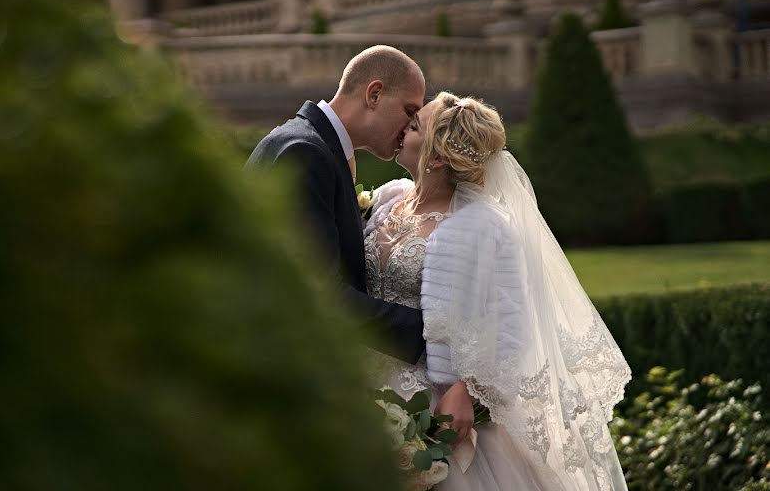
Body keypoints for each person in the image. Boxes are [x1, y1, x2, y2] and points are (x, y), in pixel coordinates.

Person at [364, 91, 631, 489]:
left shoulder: (483, 226)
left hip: (434, 407)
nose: (404, 128)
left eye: (415, 126)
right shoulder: (388, 199)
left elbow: (511, 326)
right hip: (365, 382)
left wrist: (466, 391)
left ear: (436, 158)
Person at [246, 46, 477, 441]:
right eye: (408, 111)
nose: (409, 127)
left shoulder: (307, 144)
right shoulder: (306, 153)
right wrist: (437, 339)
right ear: (374, 94)